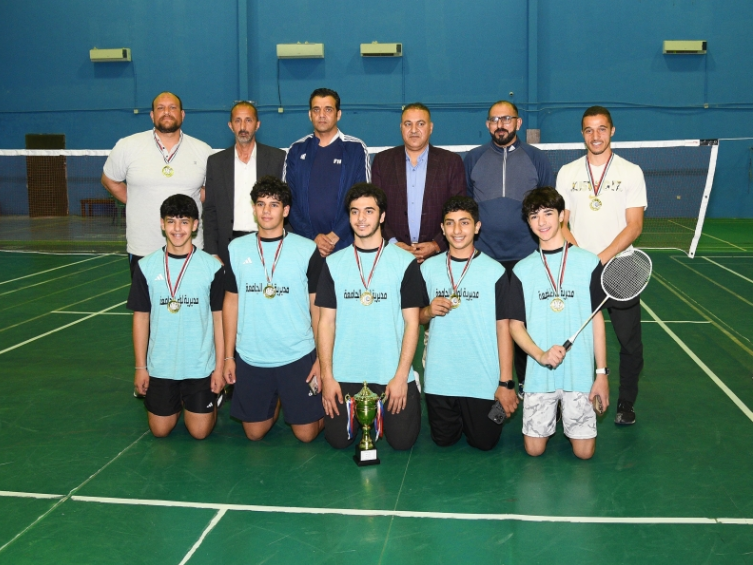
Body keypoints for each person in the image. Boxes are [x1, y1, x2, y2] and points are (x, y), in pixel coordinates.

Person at [316, 183, 426, 451]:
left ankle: (411, 385)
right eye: (354, 212)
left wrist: (401, 376)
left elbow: (412, 323)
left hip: (389, 372)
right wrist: (327, 376)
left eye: (369, 211)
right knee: (338, 441)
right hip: (346, 371)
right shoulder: (333, 263)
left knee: (402, 442)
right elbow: (326, 323)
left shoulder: (404, 262)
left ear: (382, 215)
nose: (361, 218)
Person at [556, 106, 647, 426]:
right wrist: (583, 259)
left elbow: (635, 225)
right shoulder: (567, 172)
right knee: (574, 337)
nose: (595, 136)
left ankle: (626, 402)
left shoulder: (631, 171)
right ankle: (567, 397)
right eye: (589, 130)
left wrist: (602, 257)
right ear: (582, 134)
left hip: (621, 268)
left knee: (629, 342)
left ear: (612, 131)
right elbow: (561, 223)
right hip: (581, 269)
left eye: (601, 129)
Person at [504, 187, 609, 460]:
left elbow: (597, 320)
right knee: (534, 450)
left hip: (579, 373)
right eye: (534, 216)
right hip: (540, 374)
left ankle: (567, 413)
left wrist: (601, 374)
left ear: (562, 216)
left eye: (548, 213)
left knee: (584, 454)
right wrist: (540, 355)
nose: (542, 222)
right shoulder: (521, 270)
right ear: (528, 222)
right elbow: (515, 325)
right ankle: (553, 413)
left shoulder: (589, 262)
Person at [222, 176, 325, 442]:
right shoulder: (236, 249)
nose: (266, 211)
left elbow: (317, 308)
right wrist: (228, 357)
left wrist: (321, 358)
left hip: (297, 354)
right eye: (261, 204)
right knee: (254, 434)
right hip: (252, 355)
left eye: (274, 204)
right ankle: (278, 398)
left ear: (286, 210)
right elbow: (230, 302)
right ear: (253, 208)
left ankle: (292, 398)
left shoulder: (307, 249)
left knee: (306, 435)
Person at [463, 100, 555, 397]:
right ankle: (491, 385)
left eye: (506, 119)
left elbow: (549, 206)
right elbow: (466, 207)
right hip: (485, 258)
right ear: (487, 125)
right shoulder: (473, 158)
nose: (500, 124)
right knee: (488, 325)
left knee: (525, 325)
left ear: (518, 122)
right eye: (494, 119)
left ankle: (530, 387)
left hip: (526, 258)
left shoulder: (536, 159)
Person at [419, 196, 518, 451]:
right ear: (442, 229)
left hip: (483, 379)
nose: (457, 230)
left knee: (487, 440)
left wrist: (506, 383)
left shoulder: (495, 271)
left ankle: (499, 406)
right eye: (450, 223)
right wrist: (428, 311)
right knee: (443, 440)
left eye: (464, 223)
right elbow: (416, 317)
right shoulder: (427, 268)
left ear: (477, 227)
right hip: (440, 378)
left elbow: (504, 329)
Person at [127, 194, 224, 439]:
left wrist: (219, 368)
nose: (177, 228)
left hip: (199, 366)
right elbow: (140, 318)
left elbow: (219, 319)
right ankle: (179, 402)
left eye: (184, 222)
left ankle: (208, 400)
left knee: (200, 432)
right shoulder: (146, 267)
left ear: (195, 225)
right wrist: (141, 367)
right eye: (171, 221)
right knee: (160, 431)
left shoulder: (212, 267)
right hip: (162, 366)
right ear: (162, 224)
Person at [102, 92, 213, 277]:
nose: (166, 112)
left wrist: (187, 203)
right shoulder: (128, 146)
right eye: (160, 108)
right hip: (143, 248)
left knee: (191, 296)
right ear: (152, 115)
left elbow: (210, 191)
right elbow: (109, 180)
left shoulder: (203, 151)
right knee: (145, 297)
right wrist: (137, 200)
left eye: (172, 108)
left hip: (190, 247)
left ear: (182, 114)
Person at [371, 103, 467, 264]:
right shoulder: (382, 161)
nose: (414, 130)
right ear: (401, 128)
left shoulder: (451, 162)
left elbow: (459, 209)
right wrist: (393, 243)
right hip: (393, 256)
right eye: (408, 124)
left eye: (420, 124)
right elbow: (375, 208)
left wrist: (436, 244)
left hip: (439, 258)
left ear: (431, 127)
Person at [283, 88, 370, 258]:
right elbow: (287, 200)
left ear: (338, 114)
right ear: (310, 115)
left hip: (345, 244)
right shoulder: (296, 150)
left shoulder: (355, 149)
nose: (322, 115)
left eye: (328, 109)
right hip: (306, 245)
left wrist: (335, 235)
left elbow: (363, 198)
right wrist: (312, 237)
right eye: (316, 109)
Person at [203, 101, 286, 267]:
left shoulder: (277, 158)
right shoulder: (216, 162)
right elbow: (210, 210)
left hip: (268, 243)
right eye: (237, 121)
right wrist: (212, 251)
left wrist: (283, 246)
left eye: (248, 120)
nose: (243, 126)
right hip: (228, 247)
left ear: (257, 125)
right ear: (230, 126)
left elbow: (285, 205)